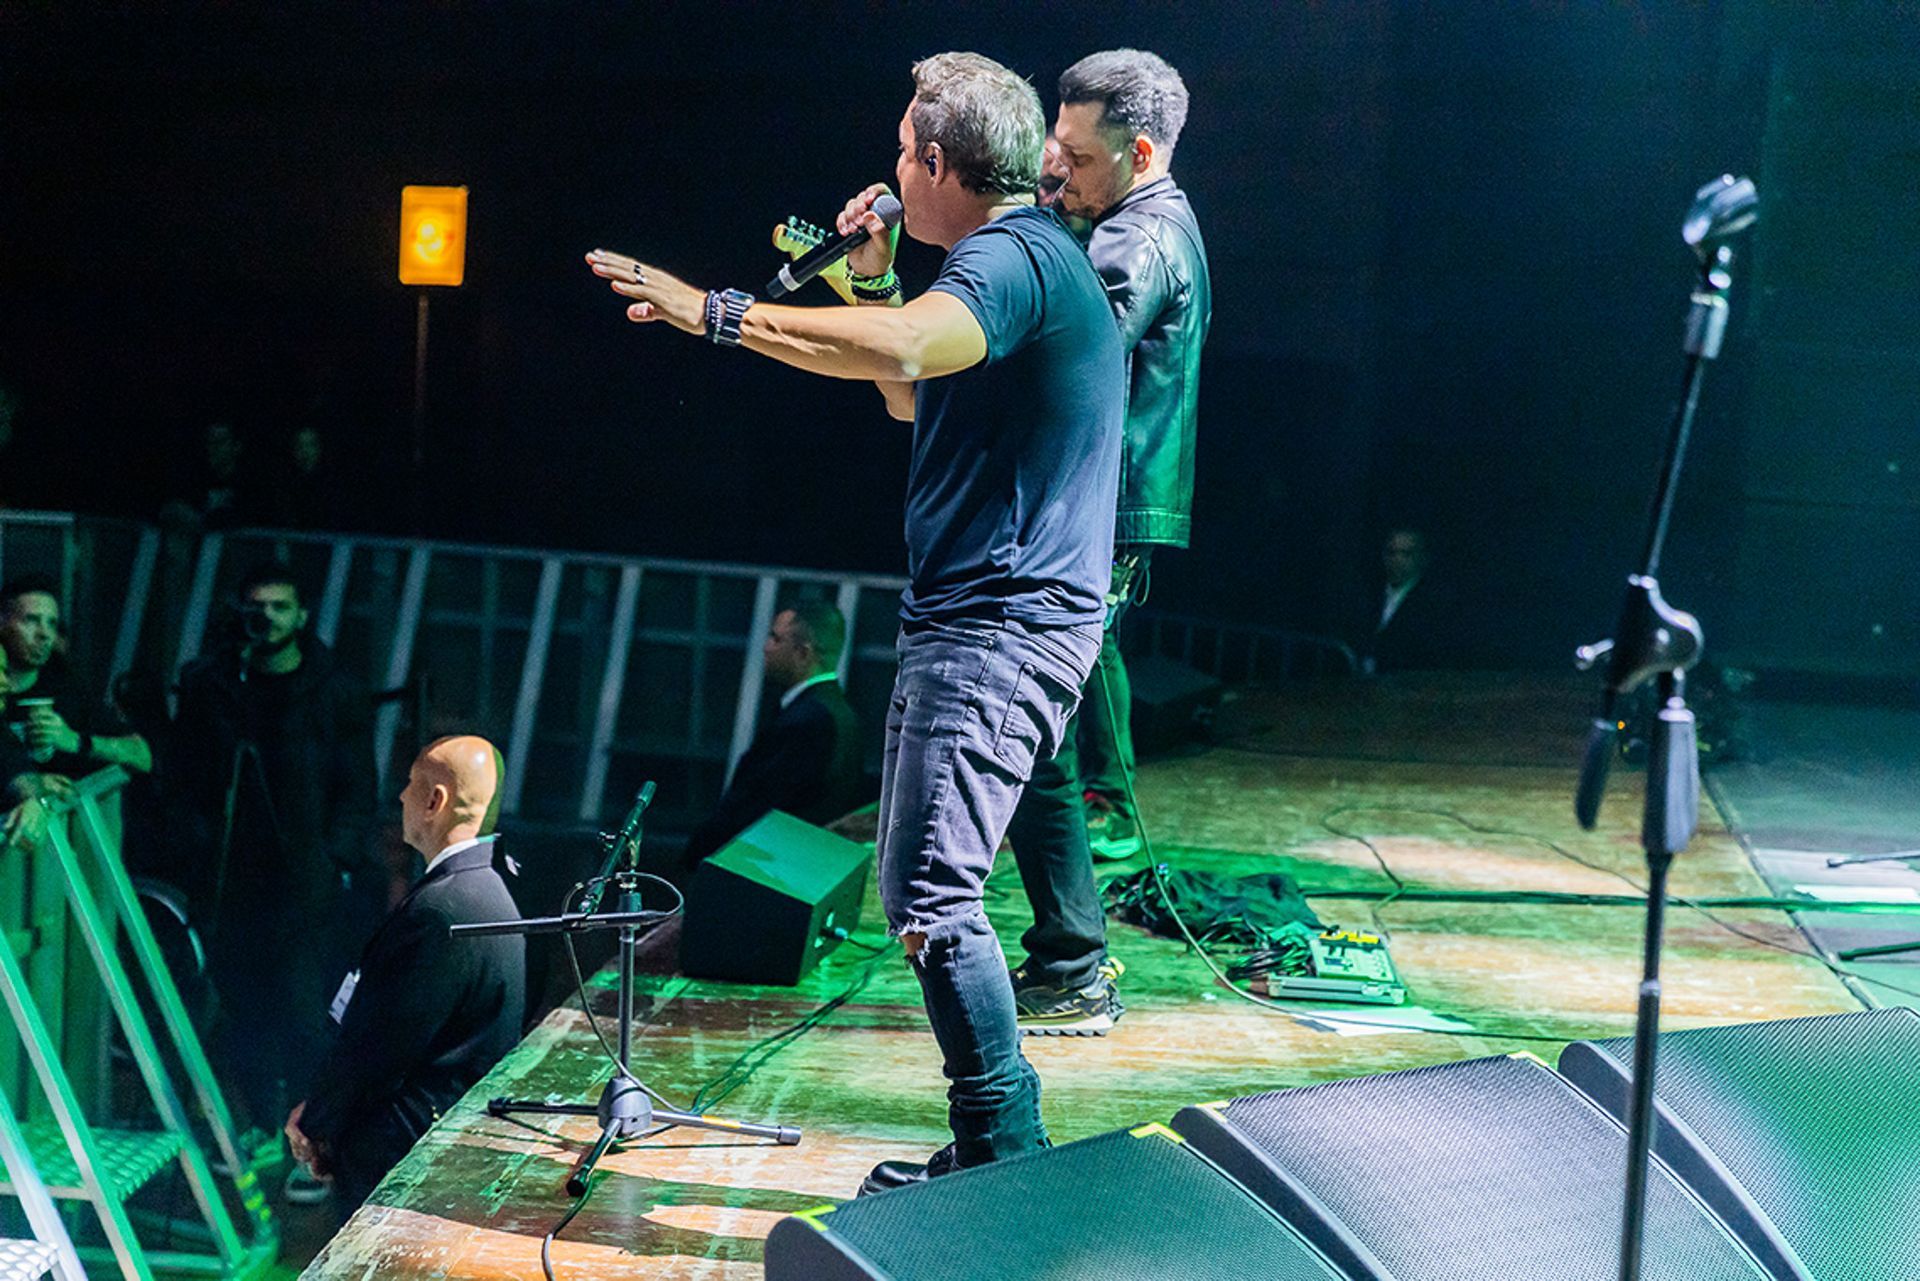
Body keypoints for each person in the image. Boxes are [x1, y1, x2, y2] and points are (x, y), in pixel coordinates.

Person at [586, 51, 1122, 1192]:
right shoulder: (1014, 264)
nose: (886, 173)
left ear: (936, 163)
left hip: (1001, 625)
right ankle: (994, 1151)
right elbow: (906, 385)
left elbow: (911, 351)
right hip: (992, 620)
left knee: (934, 895)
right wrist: (867, 286)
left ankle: (1000, 1156)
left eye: (899, 153)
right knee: (928, 889)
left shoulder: (1013, 260)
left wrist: (722, 314)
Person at [1000, 49, 1212, 1034]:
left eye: (1077, 159)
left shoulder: (1141, 241)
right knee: (1040, 732)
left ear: (1137, 150)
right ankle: (1069, 956)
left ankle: (1074, 963)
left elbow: (1065, 347)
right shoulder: (1135, 222)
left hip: (1103, 510)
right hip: (1106, 505)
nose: (1060, 173)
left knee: (1040, 737)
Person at [167, 563, 377, 1152]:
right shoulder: (215, 683)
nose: (264, 618)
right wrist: (198, 846)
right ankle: (262, 1123)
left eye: (278, 607)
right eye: (254, 606)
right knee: (241, 1004)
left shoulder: (333, 689)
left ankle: (308, 1134)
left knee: (304, 1009)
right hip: (232, 875)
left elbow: (358, 785)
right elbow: (186, 772)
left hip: (306, 880)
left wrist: (337, 857)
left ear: (302, 616)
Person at [285, 735, 524, 1217]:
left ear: (436, 801)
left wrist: (316, 1122)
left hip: (400, 1157)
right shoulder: (492, 893)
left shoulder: (439, 911)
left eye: (412, 783)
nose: (399, 797)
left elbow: (379, 1048)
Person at [681, 598, 862, 865]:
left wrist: (698, 858)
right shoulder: (836, 714)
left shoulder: (809, 721)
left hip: (762, 870)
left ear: (803, 653)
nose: (766, 648)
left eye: (776, 639)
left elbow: (758, 806)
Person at [0, 576, 154, 779]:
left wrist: (75, 741)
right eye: (31, 620)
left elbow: (142, 756)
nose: (44, 634)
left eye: (52, 623)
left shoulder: (67, 691)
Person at [1357, 527, 1453, 673]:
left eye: (1406, 554)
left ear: (1422, 558)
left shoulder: (1434, 602)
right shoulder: (1368, 595)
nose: (1398, 560)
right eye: (1392, 553)